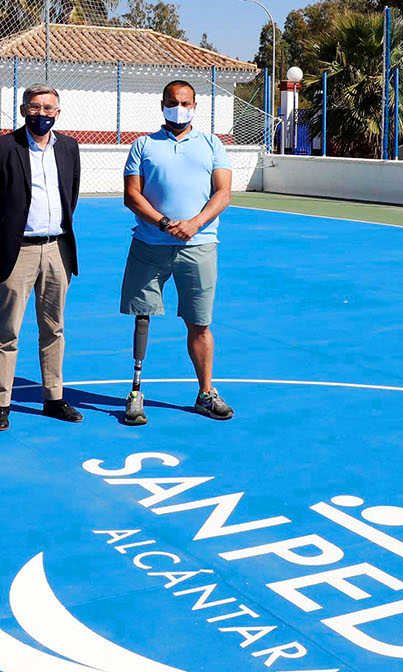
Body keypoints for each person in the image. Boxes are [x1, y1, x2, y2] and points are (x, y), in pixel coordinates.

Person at [120, 79, 235, 423]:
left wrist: (195, 223)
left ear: (195, 106)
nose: (179, 108)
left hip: (198, 247)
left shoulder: (212, 144)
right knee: (143, 317)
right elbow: (132, 195)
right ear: (162, 105)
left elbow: (223, 192)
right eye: (173, 102)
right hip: (149, 245)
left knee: (199, 323)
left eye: (186, 103)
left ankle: (205, 393)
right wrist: (164, 222)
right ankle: (136, 391)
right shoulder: (143, 145)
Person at [0, 84, 84, 432]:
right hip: (17, 251)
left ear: (58, 112)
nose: (41, 114)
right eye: (34, 108)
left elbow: (71, 195)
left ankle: (53, 397)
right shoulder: (3, 147)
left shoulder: (69, 148)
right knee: (9, 330)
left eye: (48, 108)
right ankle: (2, 403)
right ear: (23, 111)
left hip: (57, 250)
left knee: (54, 327)